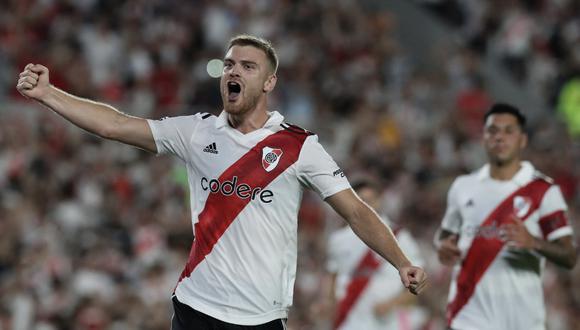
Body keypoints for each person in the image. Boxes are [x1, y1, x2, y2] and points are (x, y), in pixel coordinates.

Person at [16, 34, 427, 330]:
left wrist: (402, 262)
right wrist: (51, 95)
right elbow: (115, 125)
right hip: (195, 306)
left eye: (247, 66)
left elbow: (355, 209)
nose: (234, 71)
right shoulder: (196, 132)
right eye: (229, 63)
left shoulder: (299, 146)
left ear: (268, 83)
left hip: (259, 316)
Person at [436, 103, 577, 330]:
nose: (500, 138)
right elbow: (446, 233)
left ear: (522, 140)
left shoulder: (544, 192)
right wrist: (443, 245)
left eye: (508, 131)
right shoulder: (463, 187)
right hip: (468, 316)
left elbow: (569, 256)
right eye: (493, 131)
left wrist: (534, 242)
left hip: (520, 320)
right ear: (483, 138)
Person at [324, 178, 426, 330]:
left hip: (388, 323)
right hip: (349, 320)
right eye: (361, 201)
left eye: (370, 200)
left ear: (379, 201)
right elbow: (333, 278)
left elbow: (420, 281)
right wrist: (329, 306)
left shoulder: (400, 236)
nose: (366, 206)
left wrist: (392, 304)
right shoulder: (338, 239)